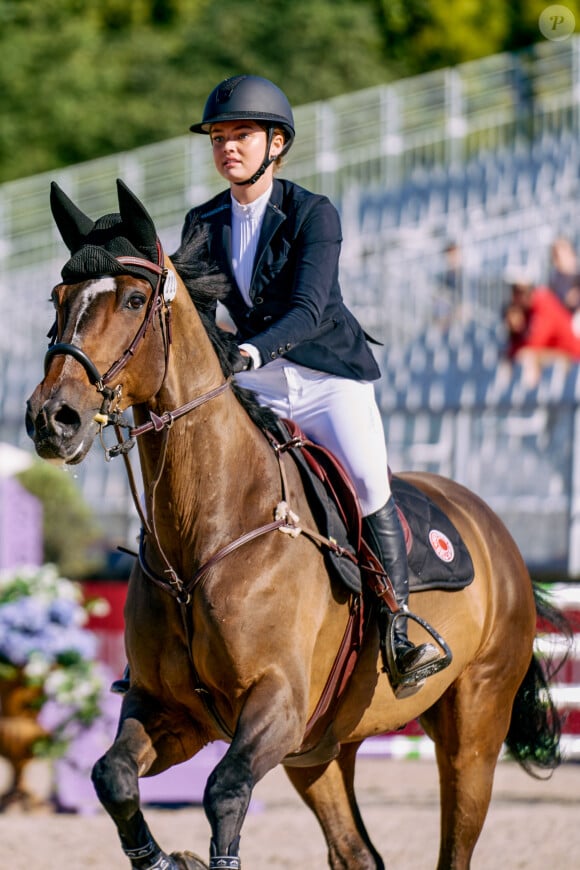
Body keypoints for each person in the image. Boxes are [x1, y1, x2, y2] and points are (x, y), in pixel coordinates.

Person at [112, 75, 440, 696]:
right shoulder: (203, 218)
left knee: (369, 480)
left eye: (241, 134)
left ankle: (399, 626)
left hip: (326, 379)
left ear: (276, 144)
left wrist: (250, 349)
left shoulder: (314, 213)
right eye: (219, 137)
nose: (227, 147)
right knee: (183, 474)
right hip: (253, 378)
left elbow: (310, 309)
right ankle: (149, 645)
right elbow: (198, 313)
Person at [502, 266, 580, 384]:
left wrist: (514, 352)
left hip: (574, 359)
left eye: (518, 291)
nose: (514, 296)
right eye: (514, 291)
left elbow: (535, 342)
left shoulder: (542, 301)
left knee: (528, 358)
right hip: (560, 359)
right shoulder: (528, 311)